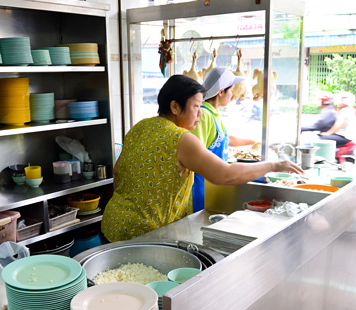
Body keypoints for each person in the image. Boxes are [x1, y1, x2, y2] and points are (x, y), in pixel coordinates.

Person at [101, 75, 304, 242]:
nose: (200, 114)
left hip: (114, 222)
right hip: (146, 232)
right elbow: (225, 175)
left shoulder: (139, 127)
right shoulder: (181, 138)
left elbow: (118, 171)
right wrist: (273, 165)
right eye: (196, 107)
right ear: (175, 107)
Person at [190, 67, 257, 212]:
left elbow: (227, 139)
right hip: (201, 191)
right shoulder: (203, 116)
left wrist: (252, 142)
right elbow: (195, 156)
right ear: (221, 92)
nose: (233, 94)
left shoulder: (214, 113)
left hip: (214, 187)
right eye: (231, 90)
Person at [320, 91, 356, 162]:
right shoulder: (351, 110)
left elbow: (339, 124)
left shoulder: (345, 110)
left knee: (321, 138)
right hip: (348, 137)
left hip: (345, 137)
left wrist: (329, 133)